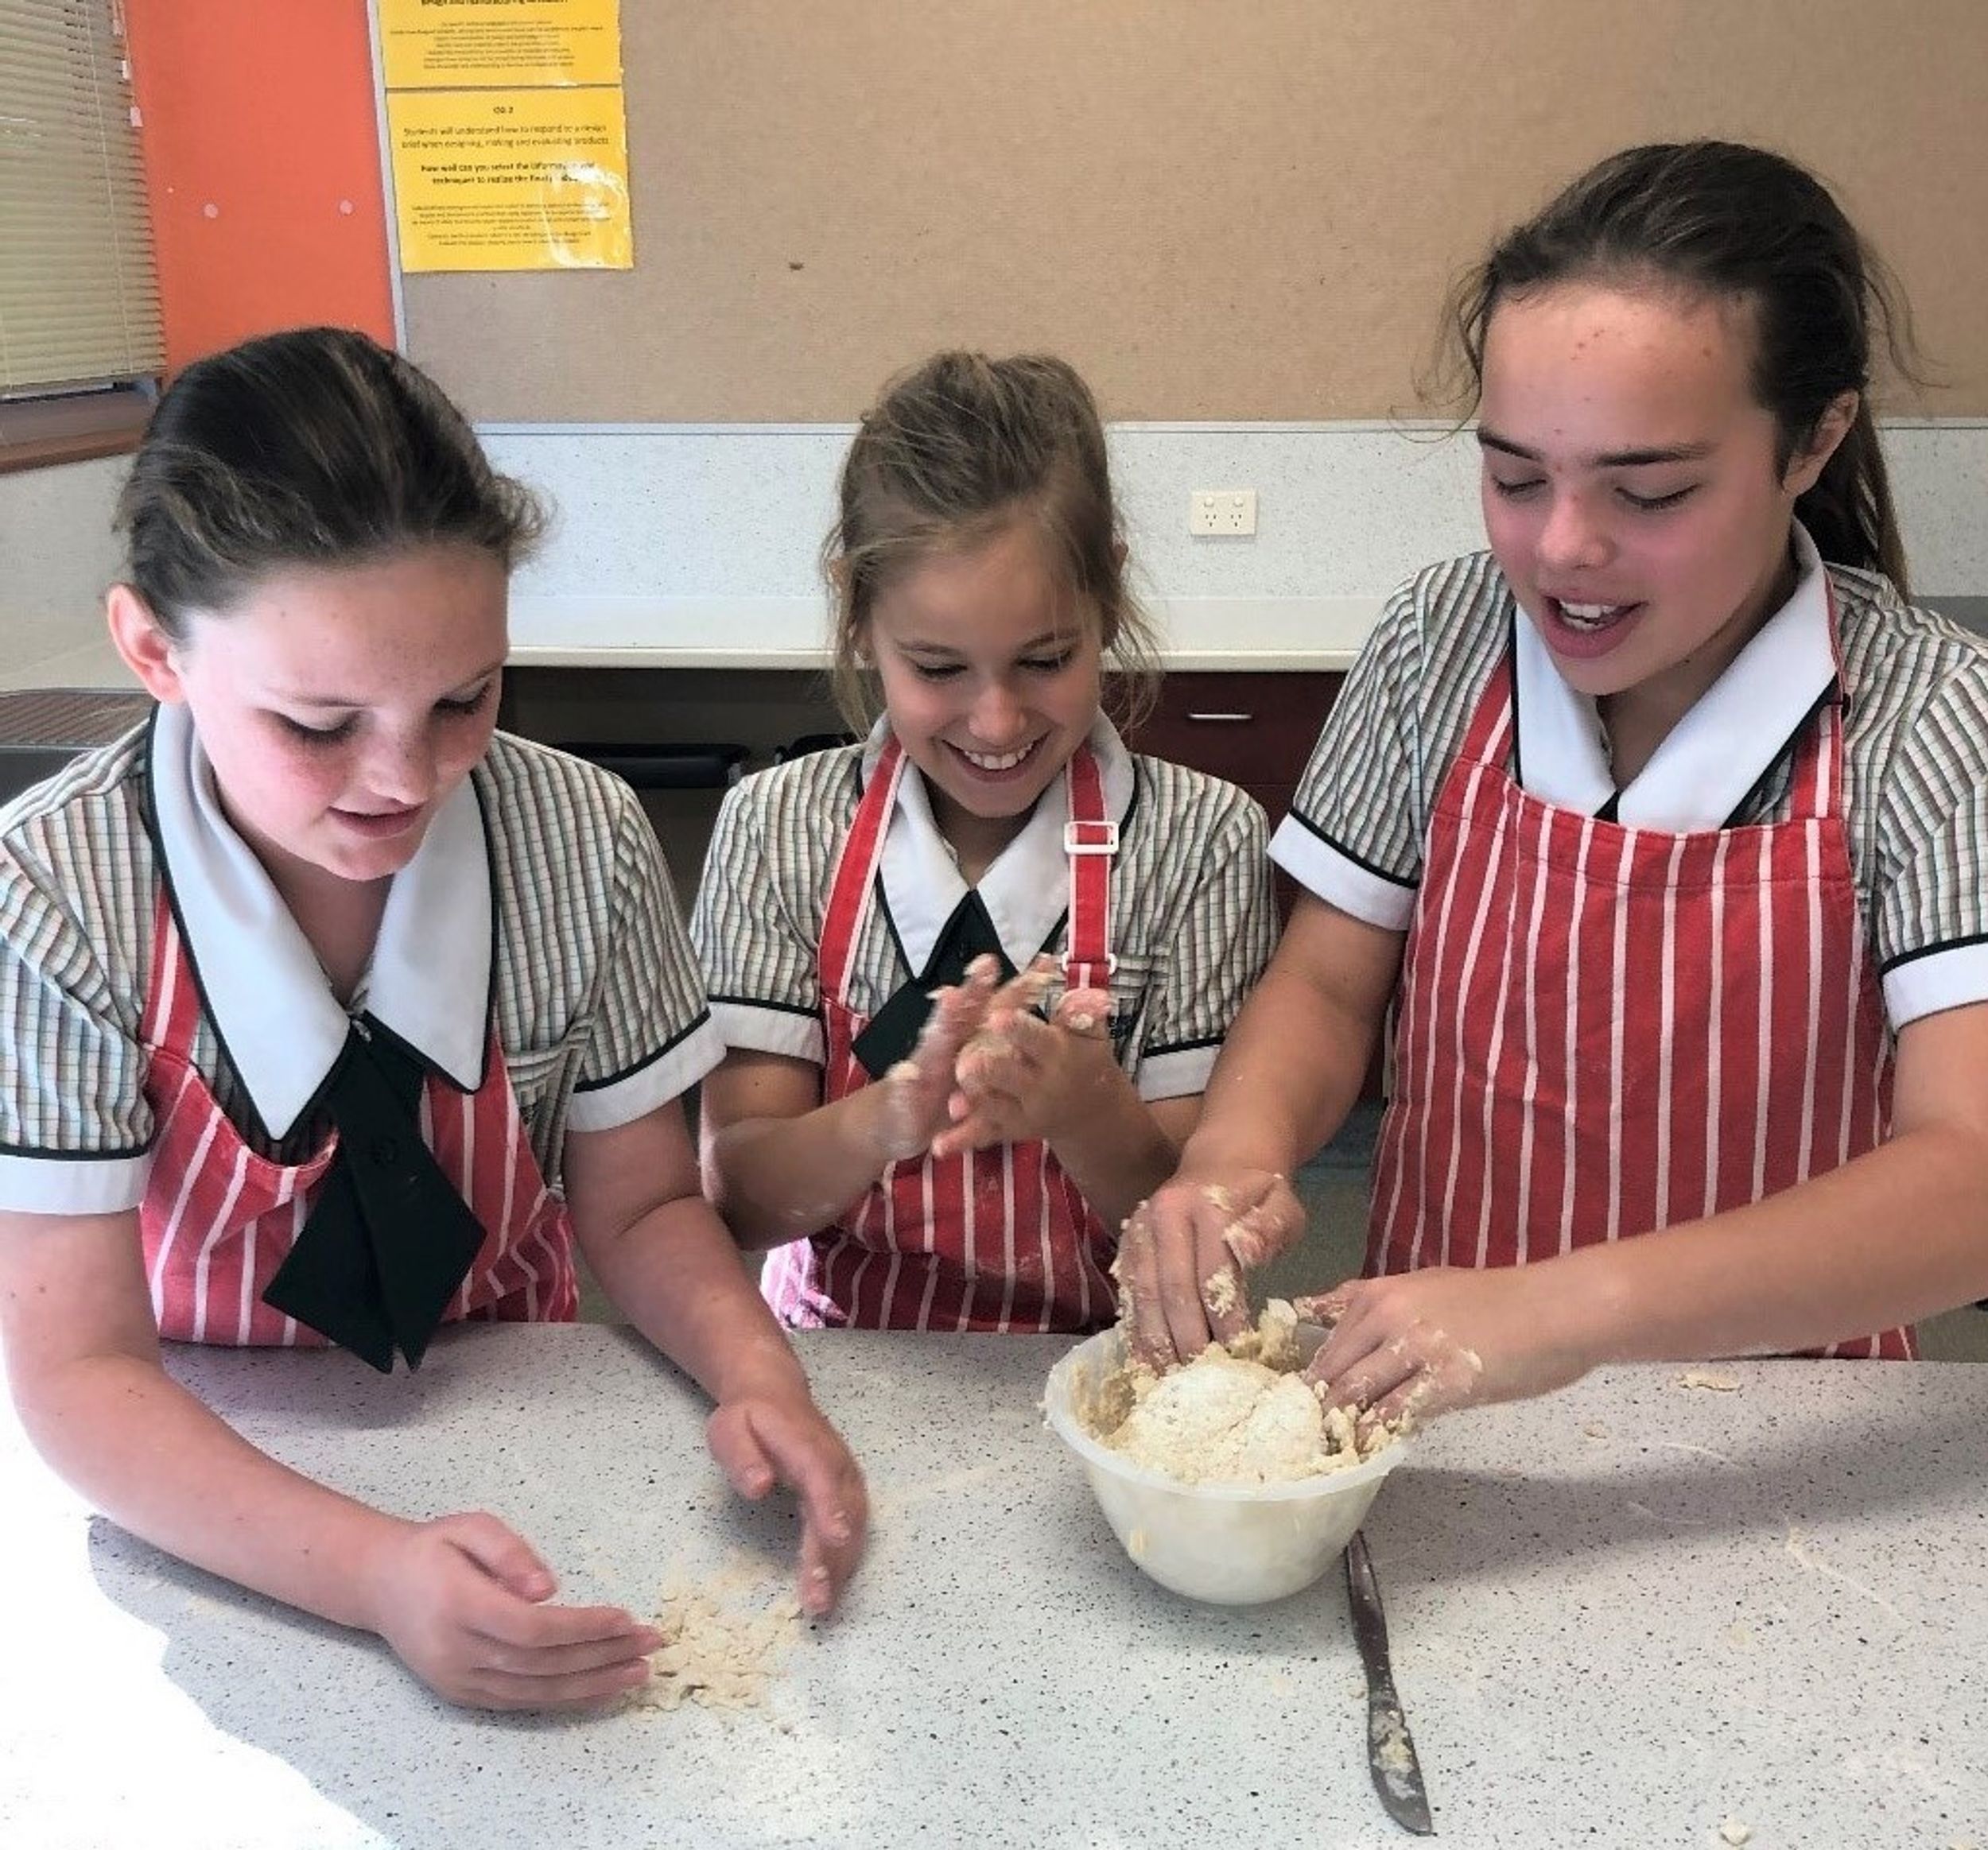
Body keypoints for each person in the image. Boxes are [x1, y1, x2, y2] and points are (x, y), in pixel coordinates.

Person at [0, 328, 865, 1712]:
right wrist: (372, 1574)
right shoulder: (53, 898)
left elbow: (644, 1209)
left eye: (464, 698)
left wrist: (759, 1375)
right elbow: (77, 1366)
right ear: (155, 648)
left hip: (515, 1424)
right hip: (202, 1468)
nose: (406, 777)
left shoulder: (582, 840)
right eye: (318, 724)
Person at [1118, 140, 1988, 1418]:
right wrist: (1231, 1153)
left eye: (1652, 491)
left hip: (1786, 1436)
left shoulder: (1930, 718)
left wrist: (1562, 1308)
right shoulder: (1441, 641)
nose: (1564, 549)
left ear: (1814, 438)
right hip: (1435, 1409)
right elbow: (1324, 982)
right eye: (1516, 477)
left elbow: (1968, 1171)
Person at [691, 351, 1277, 1331]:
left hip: (1106, 1360)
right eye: (938, 668)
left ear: (1107, 598)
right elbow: (741, 1200)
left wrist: (1085, 1107)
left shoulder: (1201, 841)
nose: (996, 722)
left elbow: (1192, 1222)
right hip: (839, 1355)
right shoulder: (777, 829)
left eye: (1045, 659)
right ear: (859, 617)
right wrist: (879, 1120)